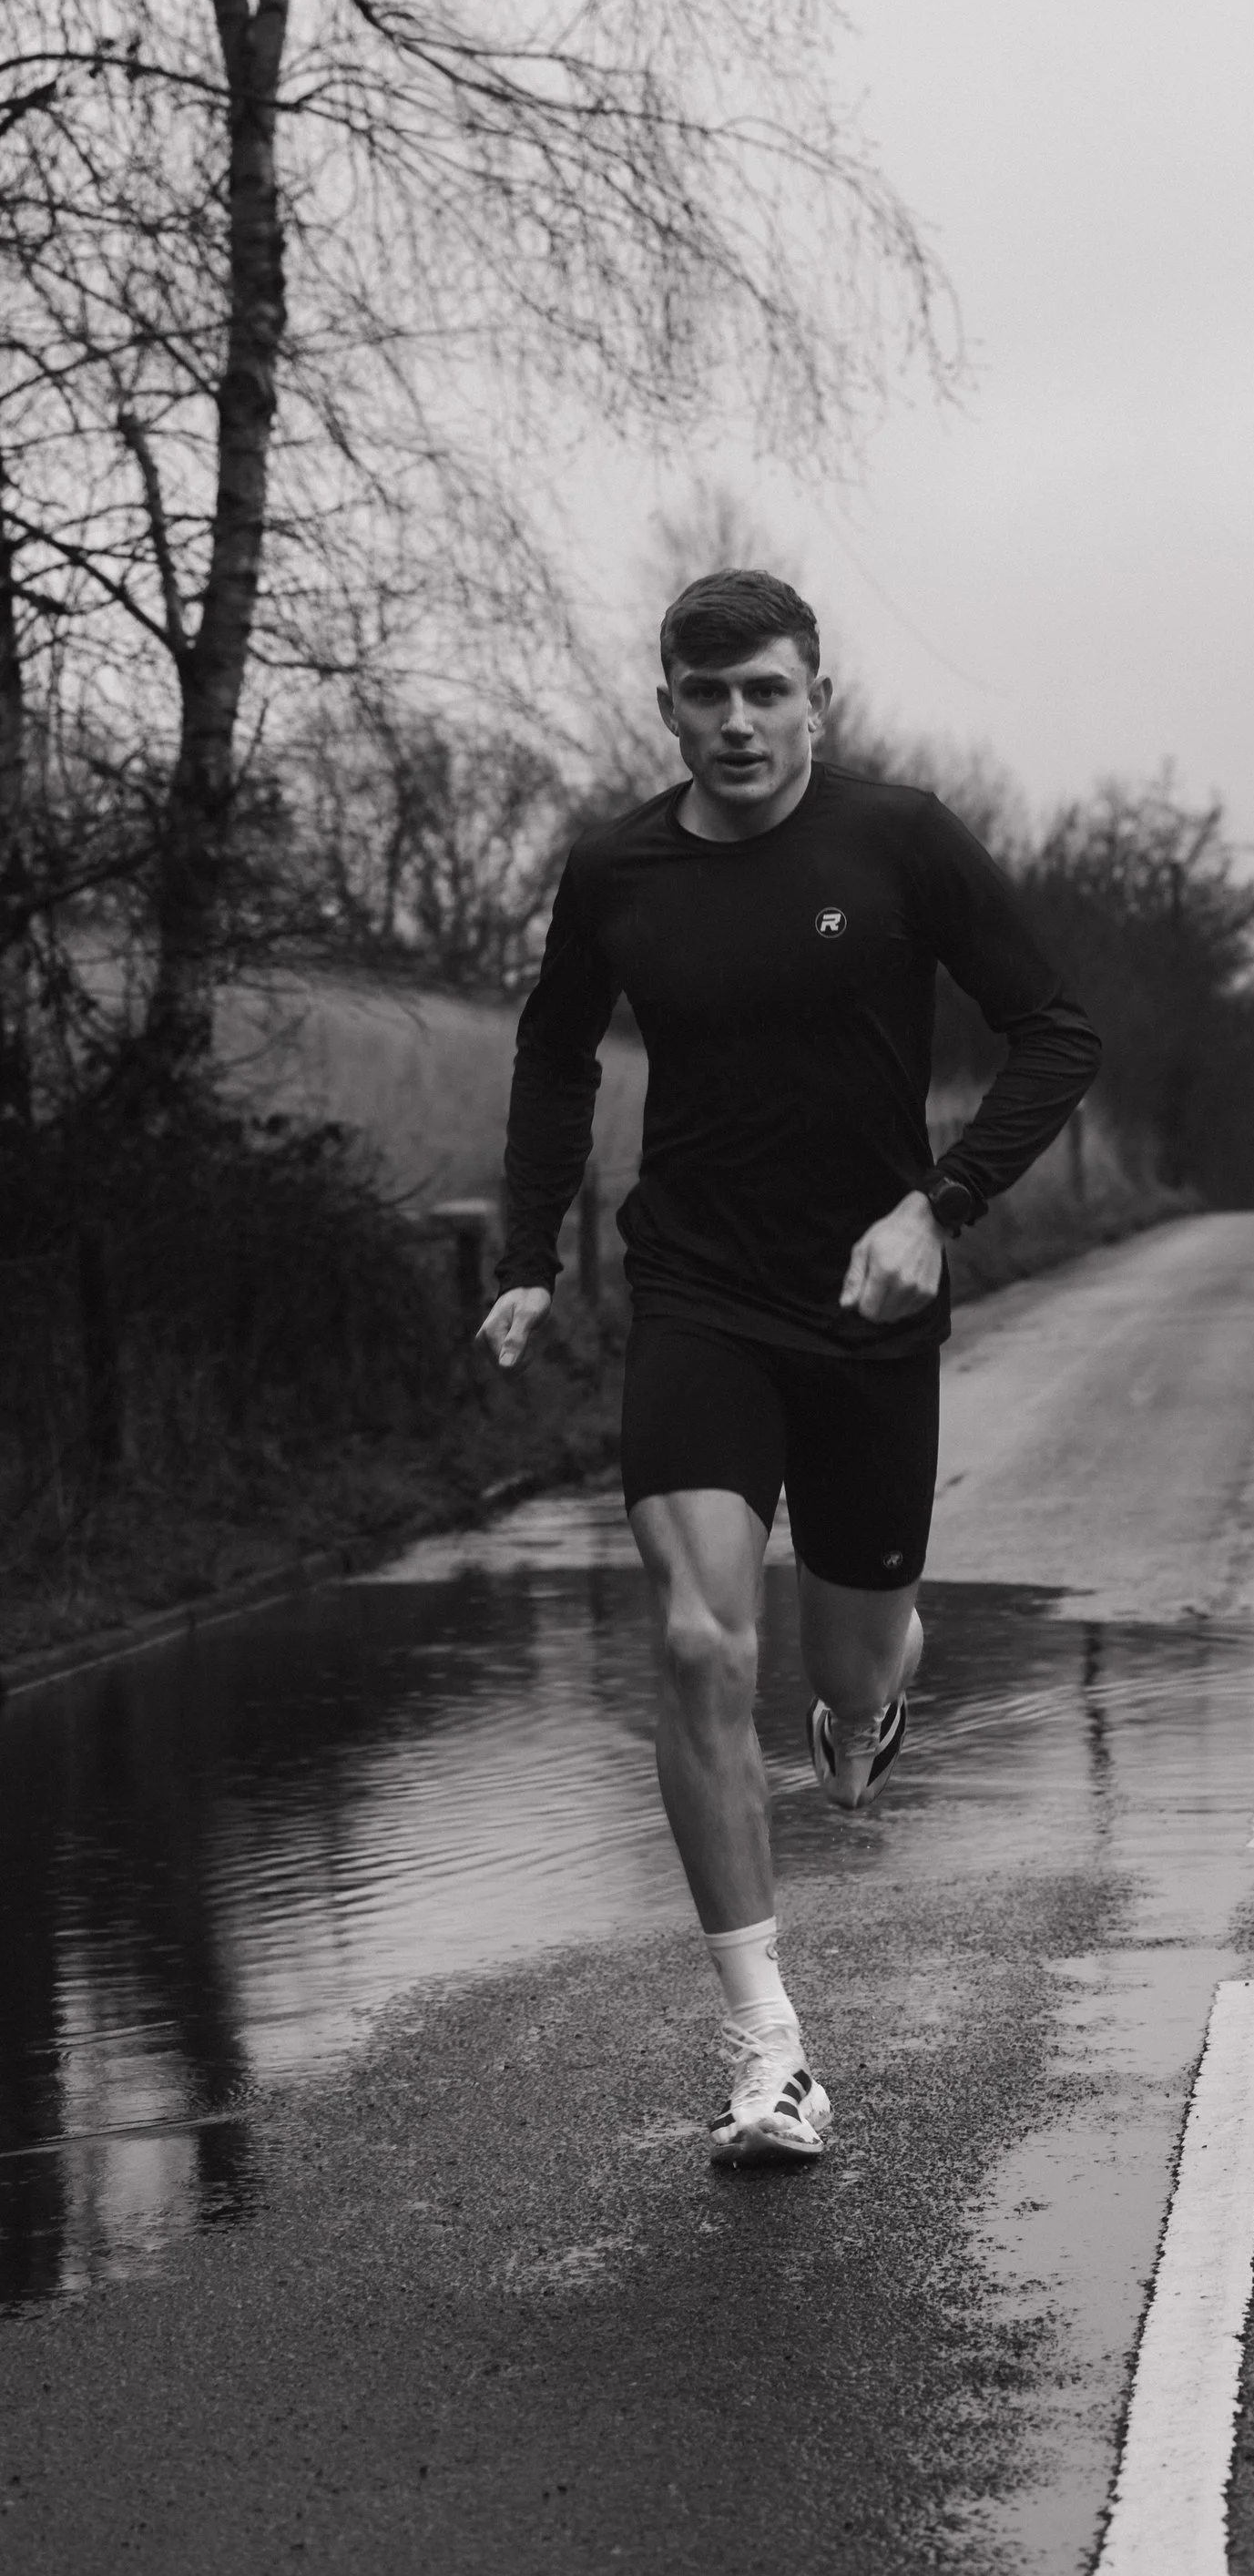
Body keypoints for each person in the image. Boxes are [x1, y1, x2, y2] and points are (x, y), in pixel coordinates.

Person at [479, 570, 1099, 2164]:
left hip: (871, 1300)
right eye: (709, 694)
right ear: (667, 706)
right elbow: (554, 1049)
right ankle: (770, 2052)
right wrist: (528, 1255)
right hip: (699, 1291)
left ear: (819, 697)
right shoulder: (615, 869)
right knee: (698, 1641)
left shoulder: (900, 839)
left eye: (767, 690)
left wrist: (938, 1208)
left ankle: (873, 1686)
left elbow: (1057, 1029)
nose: (739, 721)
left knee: (850, 1663)